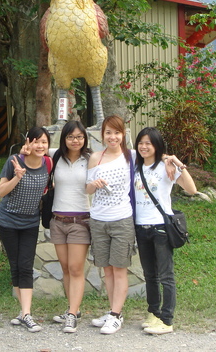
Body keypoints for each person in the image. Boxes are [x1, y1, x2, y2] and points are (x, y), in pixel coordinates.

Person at [134, 127, 197, 335]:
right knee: (149, 275)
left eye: (148, 143)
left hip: (161, 227)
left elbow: (191, 189)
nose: (144, 147)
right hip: (141, 227)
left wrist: (178, 163)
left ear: (156, 146)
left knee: (165, 275)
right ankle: (154, 313)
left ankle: (167, 320)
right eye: (141, 143)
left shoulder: (166, 167)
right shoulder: (136, 166)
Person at [0, 126, 51, 333]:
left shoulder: (48, 162)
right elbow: (1, 192)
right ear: (28, 142)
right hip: (8, 222)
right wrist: (17, 176)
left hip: (30, 223)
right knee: (16, 266)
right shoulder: (14, 161)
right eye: (36, 141)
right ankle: (23, 313)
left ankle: (26, 314)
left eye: (44, 142)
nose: (40, 145)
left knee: (26, 266)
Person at [85, 115, 136, 335]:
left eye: (116, 132)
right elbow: (87, 189)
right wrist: (93, 185)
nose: (112, 137)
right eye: (108, 132)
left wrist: (172, 162)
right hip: (98, 220)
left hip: (122, 220)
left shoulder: (131, 156)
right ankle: (113, 311)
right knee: (107, 270)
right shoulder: (95, 157)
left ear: (123, 134)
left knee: (119, 269)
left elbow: (157, 155)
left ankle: (115, 316)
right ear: (102, 134)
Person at [48, 120, 92, 333]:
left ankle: (72, 315)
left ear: (85, 139)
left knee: (75, 268)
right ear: (64, 138)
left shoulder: (91, 159)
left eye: (79, 137)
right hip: (57, 221)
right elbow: (34, 150)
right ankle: (72, 309)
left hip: (80, 221)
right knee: (65, 268)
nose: (75, 141)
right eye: (71, 137)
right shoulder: (55, 156)